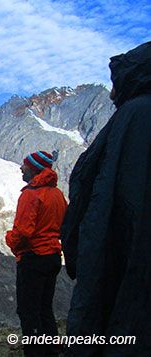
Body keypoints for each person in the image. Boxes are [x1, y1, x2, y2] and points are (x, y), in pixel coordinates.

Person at [61, 41, 151, 356]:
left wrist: (81, 256)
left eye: (116, 85)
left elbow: (92, 192)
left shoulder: (133, 116)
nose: (111, 95)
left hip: (120, 259)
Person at [6, 151, 67, 357]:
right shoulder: (57, 194)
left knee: (28, 311)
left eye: (24, 165)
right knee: (44, 308)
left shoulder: (31, 194)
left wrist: (10, 241)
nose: (21, 168)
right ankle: (51, 351)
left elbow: (23, 232)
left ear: (33, 168)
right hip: (52, 256)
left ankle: (35, 353)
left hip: (33, 257)